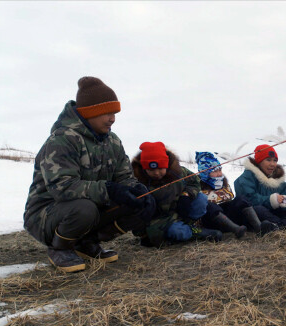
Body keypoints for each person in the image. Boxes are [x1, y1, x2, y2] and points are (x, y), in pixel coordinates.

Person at [23, 76, 156, 273]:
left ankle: (86, 243)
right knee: (84, 208)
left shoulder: (113, 142)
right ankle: (60, 248)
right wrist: (109, 189)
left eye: (115, 113)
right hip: (46, 216)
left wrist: (137, 190)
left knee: (139, 201)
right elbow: (63, 187)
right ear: (90, 112)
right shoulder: (62, 140)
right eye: (107, 113)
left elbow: (123, 177)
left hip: (87, 207)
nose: (113, 119)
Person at [132, 142, 222, 246]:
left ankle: (188, 225)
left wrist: (187, 194)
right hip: (160, 220)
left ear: (166, 165)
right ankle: (192, 232)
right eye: (151, 170)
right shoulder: (136, 182)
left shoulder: (179, 172)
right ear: (144, 168)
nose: (156, 173)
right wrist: (144, 234)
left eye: (160, 168)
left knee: (201, 199)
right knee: (178, 231)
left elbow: (195, 182)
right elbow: (133, 213)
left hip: (180, 212)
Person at [195, 151, 278, 237]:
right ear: (205, 173)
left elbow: (230, 200)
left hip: (228, 218)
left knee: (241, 199)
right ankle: (236, 229)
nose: (219, 174)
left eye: (220, 170)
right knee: (210, 205)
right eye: (215, 171)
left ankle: (259, 227)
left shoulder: (224, 185)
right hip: (211, 222)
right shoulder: (197, 188)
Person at [234, 144, 286, 230]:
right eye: (268, 160)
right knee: (258, 209)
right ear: (259, 161)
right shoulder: (247, 177)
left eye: (275, 161)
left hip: (274, 215)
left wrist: (285, 202)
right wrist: (272, 200)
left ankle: (279, 226)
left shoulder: (279, 181)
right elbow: (248, 200)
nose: (272, 164)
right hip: (256, 215)